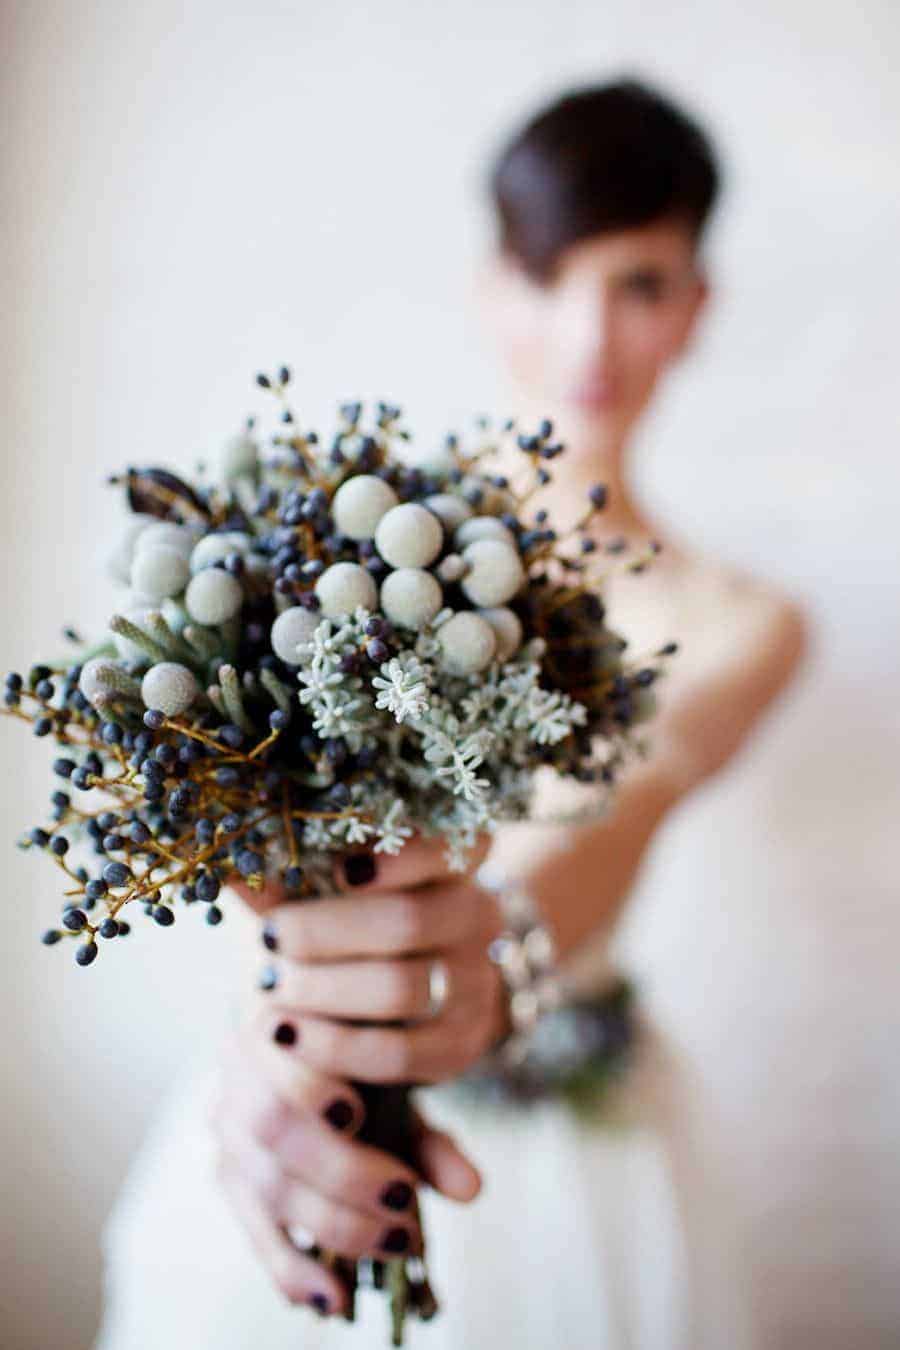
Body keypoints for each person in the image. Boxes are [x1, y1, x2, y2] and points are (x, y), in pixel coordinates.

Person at [94, 80, 807, 1349]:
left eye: (639, 283)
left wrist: (473, 970)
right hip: (317, 1065)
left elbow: (617, 815)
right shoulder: (342, 551)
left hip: (568, 1138)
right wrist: (309, 1033)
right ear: (491, 287)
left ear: (696, 306)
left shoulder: (740, 622)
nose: (590, 334)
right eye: (549, 274)